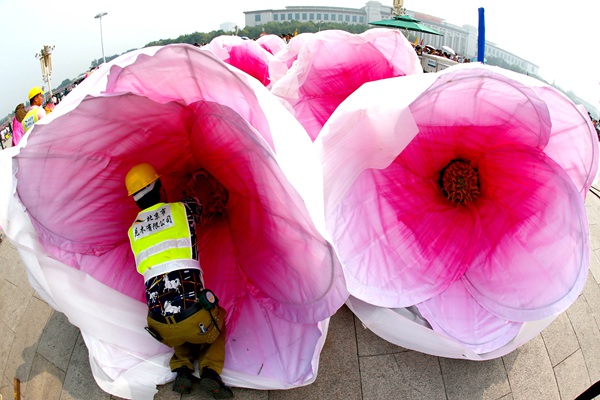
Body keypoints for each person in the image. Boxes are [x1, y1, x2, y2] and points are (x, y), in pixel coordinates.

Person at [125, 163, 233, 398]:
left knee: (174, 318)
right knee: (216, 323)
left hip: (158, 327)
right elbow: (204, 202)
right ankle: (210, 372)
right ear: (161, 188)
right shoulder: (184, 209)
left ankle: (182, 367)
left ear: (134, 200)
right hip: (195, 320)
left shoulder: (133, 231)